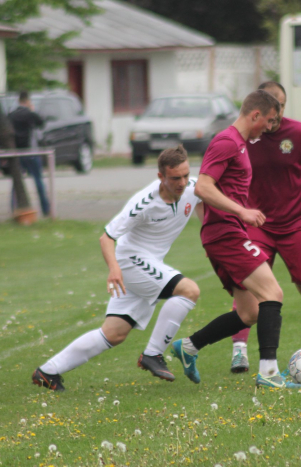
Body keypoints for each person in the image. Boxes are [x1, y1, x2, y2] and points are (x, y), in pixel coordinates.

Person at [172, 90, 301, 389]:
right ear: (255, 115)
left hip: (227, 233)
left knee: (249, 312)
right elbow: (202, 187)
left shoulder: (241, 142)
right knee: (273, 293)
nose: (268, 128)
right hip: (226, 233)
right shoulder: (227, 141)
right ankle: (268, 373)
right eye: (266, 121)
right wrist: (242, 212)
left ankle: (188, 347)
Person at [32, 145, 203, 391]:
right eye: (176, 178)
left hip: (147, 265)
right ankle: (152, 354)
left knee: (114, 333)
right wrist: (114, 270)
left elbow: (207, 199)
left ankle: (47, 372)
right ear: (160, 177)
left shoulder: (193, 187)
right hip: (129, 262)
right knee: (189, 290)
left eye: (186, 175)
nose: (183, 182)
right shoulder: (143, 202)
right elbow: (106, 237)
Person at [227, 81, 301, 374]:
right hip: (258, 225)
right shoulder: (242, 137)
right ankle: (239, 352)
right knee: (250, 286)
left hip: (296, 223)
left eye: (281, 105)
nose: (277, 112)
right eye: (271, 106)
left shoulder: (299, 132)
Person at [9, 90, 50, 216]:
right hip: (31, 152)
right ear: (27, 101)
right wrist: (32, 110)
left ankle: (14, 208)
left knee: (17, 182)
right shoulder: (29, 114)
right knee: (38, 180)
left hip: (17, 152)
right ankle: (45, 209)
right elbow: (41, 123)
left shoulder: (11, 115)